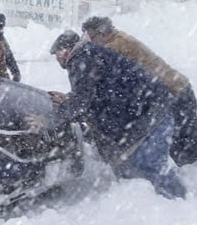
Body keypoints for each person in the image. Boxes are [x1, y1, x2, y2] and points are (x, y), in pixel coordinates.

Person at [47, 30, 186, 199]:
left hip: (151, 115)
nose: (58, 60)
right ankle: (153, 205)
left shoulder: (82, 59)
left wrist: (50, 120)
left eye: (57, 55)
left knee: (150, 166)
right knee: (129, 170)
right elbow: (92, 95)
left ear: (65, 50)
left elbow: (83, 102)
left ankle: (181, 203)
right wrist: (70, 100)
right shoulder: (89, 55)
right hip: (144, 115)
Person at [81, 16, 197, 168]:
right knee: (181, 138)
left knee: (187, 139)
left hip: (175, 92)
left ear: (102, 33)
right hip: (173, 91)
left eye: (91, 37)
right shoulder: (118, 40)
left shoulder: (117, 45)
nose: (90, 43)